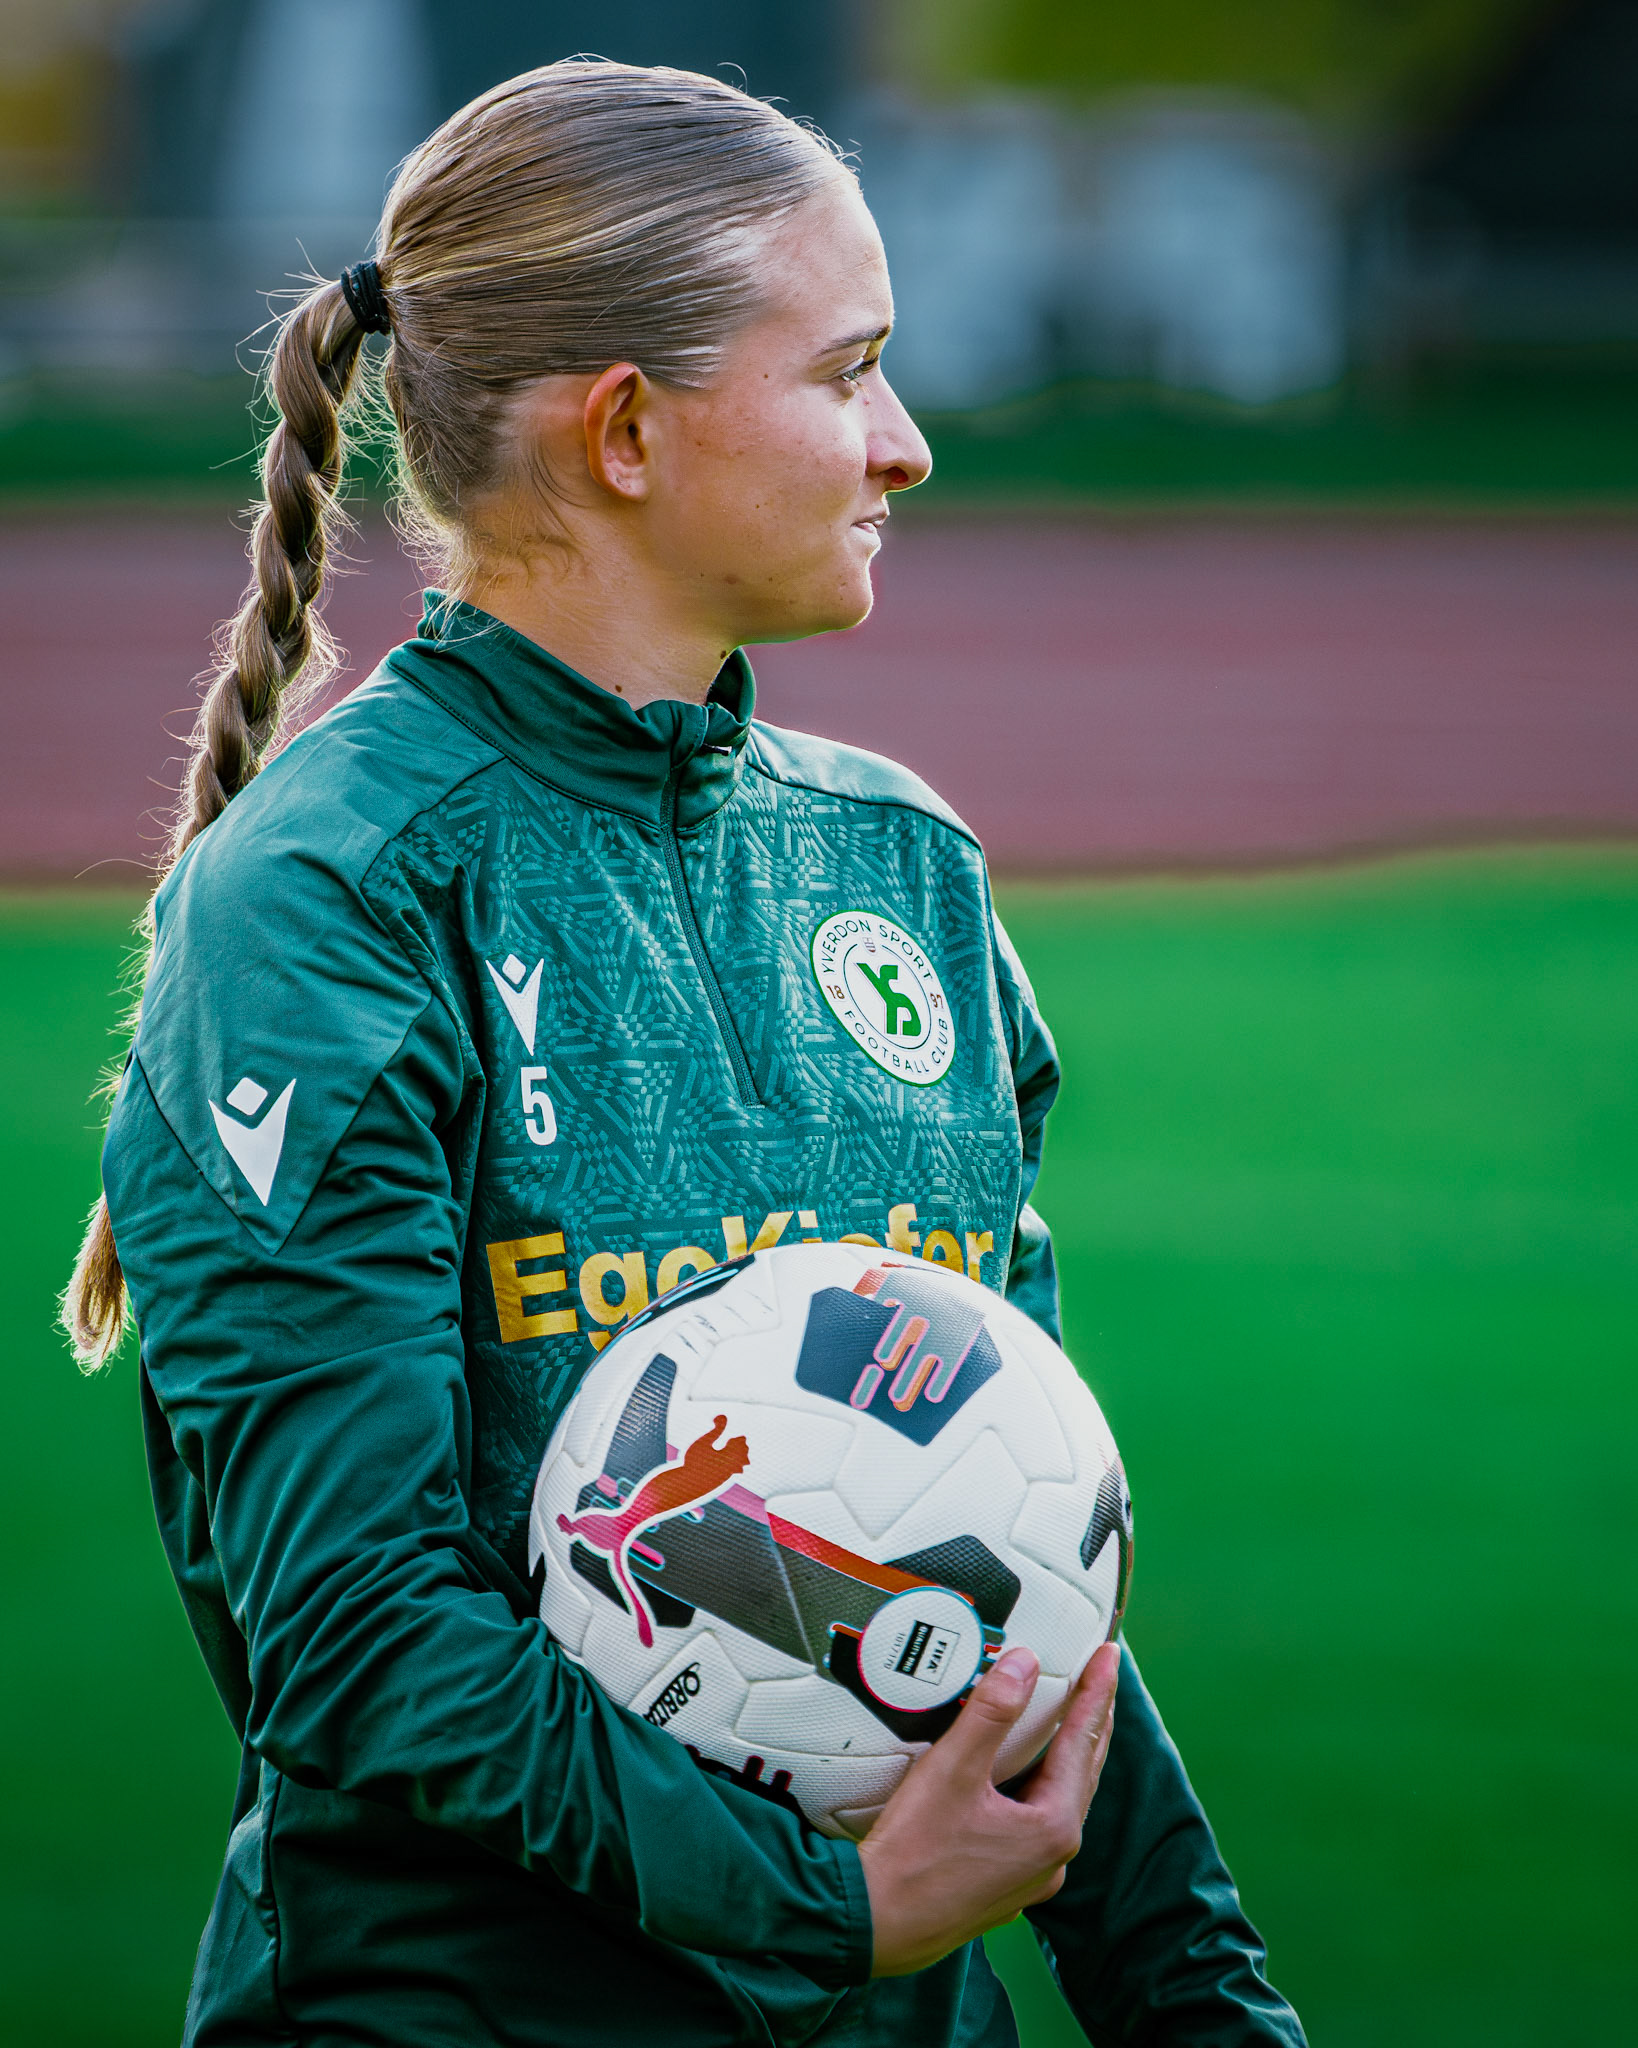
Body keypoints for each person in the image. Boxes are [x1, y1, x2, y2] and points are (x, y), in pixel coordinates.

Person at [66, 60, 1306, 2048]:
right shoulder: (329, 900)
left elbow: (1021, 1570)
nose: (904, 446)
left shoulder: (899, 868)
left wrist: (1204, 2008)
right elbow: (357, 1642)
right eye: (849, 373)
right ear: (627, 430)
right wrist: (829, 1908)